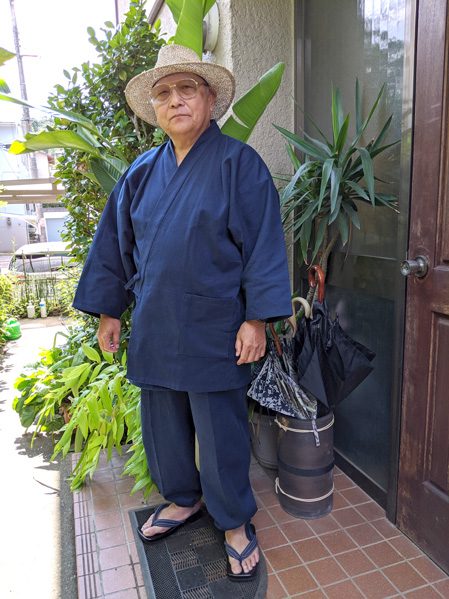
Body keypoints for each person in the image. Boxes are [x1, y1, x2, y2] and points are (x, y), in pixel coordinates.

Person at [73, 44, 292, 581]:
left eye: (187, 89)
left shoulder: (239, 165)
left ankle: (234, 521)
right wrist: (109, 312)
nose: (175, 100)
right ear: (155, 108)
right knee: (163, 425)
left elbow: (264, 244)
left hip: (216, 325)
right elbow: (114, 245)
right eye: (164, 93)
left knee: (220, 432)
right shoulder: (140, 173)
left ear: (210, 99)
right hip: (155, 321)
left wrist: (256, 319)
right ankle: (183, 498)